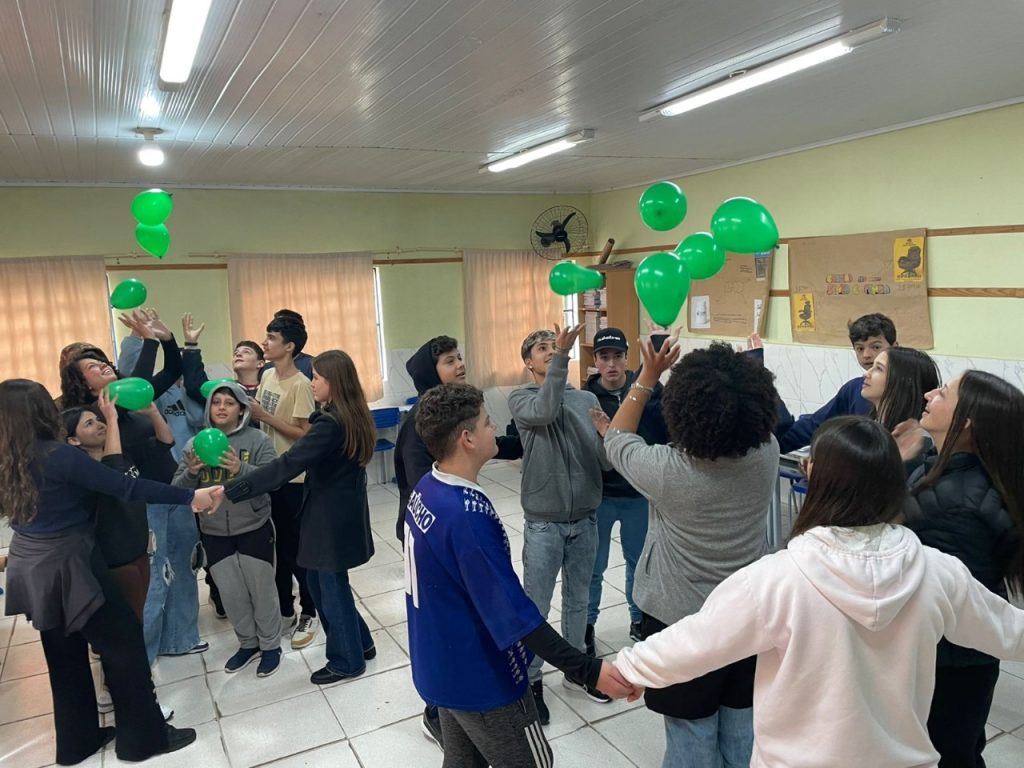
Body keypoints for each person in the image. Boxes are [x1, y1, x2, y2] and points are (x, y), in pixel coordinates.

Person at [612, 416, 1024, 768]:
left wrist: (626, 670)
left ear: (813, 474)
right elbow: (1010, 633)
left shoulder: (776, 580)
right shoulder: (938, 573)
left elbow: (696, 643)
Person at [405, 383, 638, 768]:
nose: (494, 427)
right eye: (486, 422)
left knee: (463, 762)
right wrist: (588, 669)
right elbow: (515, 617)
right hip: (482, 676)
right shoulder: (465, 517)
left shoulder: (429, 487)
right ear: (467, 439)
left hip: (441, 665)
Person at [0, 379, 221, 764]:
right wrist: (190, 496)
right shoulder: (59, 456)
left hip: (30, 562)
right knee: (124, 648)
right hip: (71, 562)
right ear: (40, 412)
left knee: (63, 654)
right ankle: (144, 740)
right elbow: (125, 487)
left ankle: (77, 742)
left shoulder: (7, 458)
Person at [593, 339, 779, 768]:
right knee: (742, 727)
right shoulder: (766, 452)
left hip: (680, 622)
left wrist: (648, 374)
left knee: (691, 733)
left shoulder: (665, 470)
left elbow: (616, 438)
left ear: (681, 411)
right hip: (749, 614)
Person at [393, 334, 523, 746]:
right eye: (450, 361)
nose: (460, 365)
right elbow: (423, 486)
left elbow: (491, 445)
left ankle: (450, 717)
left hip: (439, 529)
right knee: (447, 619)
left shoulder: (458, 418)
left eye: (460, 357)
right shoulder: (422, 426)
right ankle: (439, 712)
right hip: (431, 535)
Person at [222, 350, 377, 685]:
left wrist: (234, 489)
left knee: (328, 588)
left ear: (335, 383)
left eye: (317, 378)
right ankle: (361, 644)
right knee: (327, 584)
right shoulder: (351, 414)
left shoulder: (329, 424)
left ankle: (347, 661)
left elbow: (288, 464)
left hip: (328, 518)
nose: (312, 383)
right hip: (341, 512)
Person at [61, 311, 208, 661]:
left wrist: (167, 340)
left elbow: (172, 371)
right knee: (154, 577)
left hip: (173, 489)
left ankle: (181, 639)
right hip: (140, 503)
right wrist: (147, 341)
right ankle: (142, 656)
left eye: (102, 361)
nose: (103, 365)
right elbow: (140, 378)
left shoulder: (130, 401)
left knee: (184, 564)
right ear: (82, 383)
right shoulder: (92, 415)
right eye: (92, 367)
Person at [903, 371, 1024, 766]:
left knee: (949, 753)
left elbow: (950, 605)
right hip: (958, 655)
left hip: (952, 661)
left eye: (942, 393)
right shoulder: (942, 469)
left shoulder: (957, 502)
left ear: (966, 422)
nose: (928, 394)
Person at [508, 323, 611, 723]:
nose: (551, 350)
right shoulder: (522, 398)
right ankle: (531, 679)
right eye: (542, 348)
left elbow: (604, 462)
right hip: (543, 523)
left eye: (555, 345)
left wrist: (607, 437)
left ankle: (576, 670)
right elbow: (546, 410)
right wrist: (564, 359)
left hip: (586, 517)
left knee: (579, 599)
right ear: (528, 362)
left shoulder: (586, 398)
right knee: (536, 604)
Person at [172, 382, 282, 677]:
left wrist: (239, 469)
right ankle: (248, 644)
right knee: (232, 595)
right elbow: (177, 490)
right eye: (217, 402)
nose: (221, 407)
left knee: (262, 591)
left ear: (242, 410)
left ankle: (271, 646)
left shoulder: (258, 440)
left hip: (254, 526)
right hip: (214, 532)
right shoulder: (193, 445)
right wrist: (192, 473)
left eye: (229, 403)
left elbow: (274, 480)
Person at [583, 327, 668, 654]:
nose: (611, 364)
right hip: (600, 496)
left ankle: (638, 620)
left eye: (618, 356)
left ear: (626, 358)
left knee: (638, 563)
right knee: (594, 566)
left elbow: (663, 425)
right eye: (604, 357)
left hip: (637, 495)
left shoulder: (644, 391)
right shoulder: (587, 399)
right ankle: (587, 625)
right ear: (595, 360)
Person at [247, 315, 320, 650]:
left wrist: (265, 416)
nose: (265, 343)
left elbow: (305, 435)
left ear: (289, 346)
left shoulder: (301, 384)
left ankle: (310, 610)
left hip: (294, 479)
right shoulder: (266, 375)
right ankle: (285, 609)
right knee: (275, 548)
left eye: (272, 338)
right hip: (268, 474)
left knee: (297, 549)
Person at [773, 312, 897, 451]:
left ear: (895, 347)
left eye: (876, 347)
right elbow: (817, 425)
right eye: (860, 348)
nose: (866, 355)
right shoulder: (855, 388)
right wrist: (771, 443)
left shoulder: (911, 390)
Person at [179, 312, 265, 403]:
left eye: (246, 352)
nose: (238, 354)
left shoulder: (268, 390)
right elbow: (195, 387)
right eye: (236, 353)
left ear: (260, 363)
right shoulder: (225, 389)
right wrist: (191, 345)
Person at [860, 347, 940, 431]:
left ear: (903, 381)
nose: (866, 374)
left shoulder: (916, 437)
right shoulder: (870, 428)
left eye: (879, 368)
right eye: (872, 366)